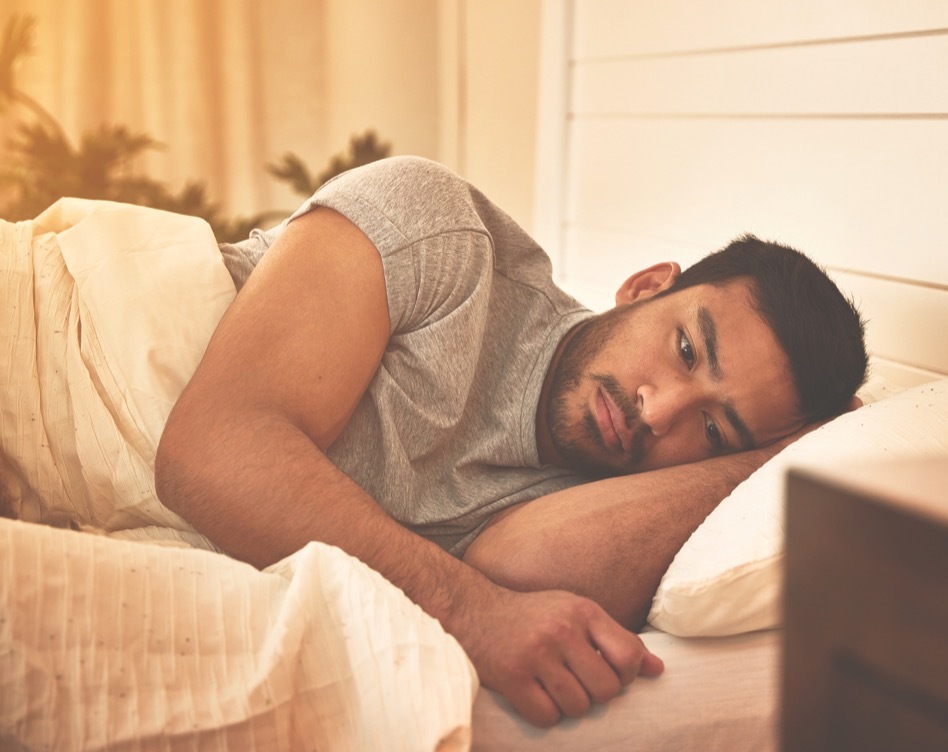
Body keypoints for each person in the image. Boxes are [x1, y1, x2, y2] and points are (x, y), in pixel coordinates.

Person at [153, 156, 868, 727]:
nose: (660, 413)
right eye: (685, 348)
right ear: (646, 286)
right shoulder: (444, 233)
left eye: (713, 429)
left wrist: (779, 456)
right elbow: (211, 450)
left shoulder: (612, 504)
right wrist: (469, 611)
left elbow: (514, 570)